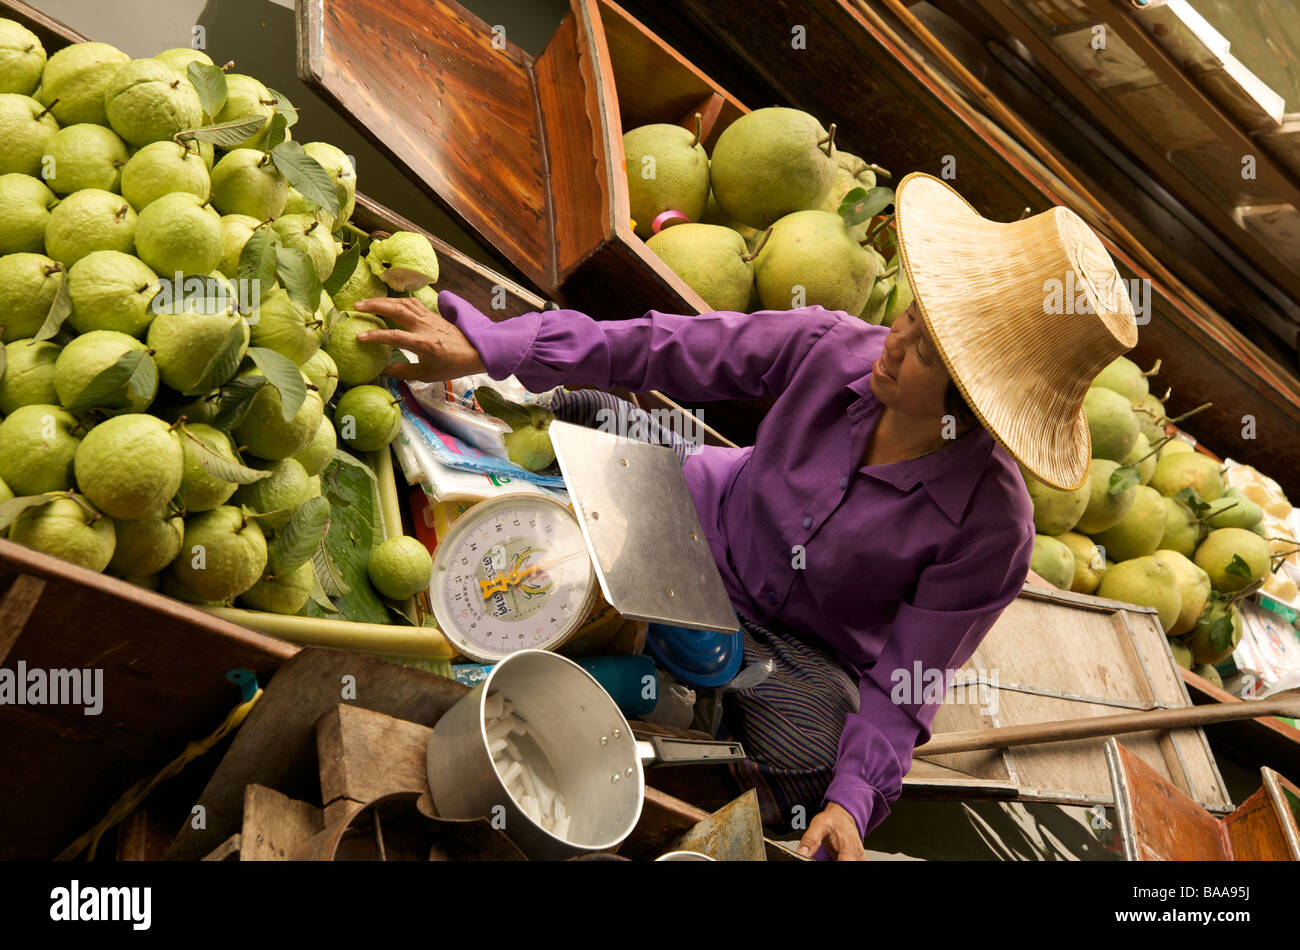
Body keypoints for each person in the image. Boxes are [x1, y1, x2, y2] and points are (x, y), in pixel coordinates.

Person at [352, 173, 1139, 860]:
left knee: (804, 761)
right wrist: (490, 344)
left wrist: (850, 803)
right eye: (912, 320)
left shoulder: (992, 532)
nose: (895, 344)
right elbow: (659, 349)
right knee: (596, 414)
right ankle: (661, 661)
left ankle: (683, 692)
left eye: (929, 353)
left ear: (972, 409)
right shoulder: (831, 346)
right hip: (699, 519)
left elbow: (904, 682)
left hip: (793, 652)